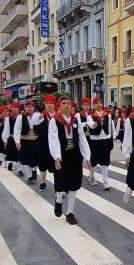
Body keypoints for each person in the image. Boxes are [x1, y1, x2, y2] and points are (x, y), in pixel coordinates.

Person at [48, 95, 92, 225]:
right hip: (62, 155)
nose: (67, 105)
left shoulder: (75, 120)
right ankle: (59, 200)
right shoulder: (54, 121)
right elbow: (53, 140)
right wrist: (56, 157)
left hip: (74, 155)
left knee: (74, 185)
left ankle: (70, 213)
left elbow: (82, 138)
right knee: (60, 185)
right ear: (59, 106)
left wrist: (87, 156)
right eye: (64, 103)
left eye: (69, 103)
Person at [86, 96, 114, 190]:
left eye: (100, 103)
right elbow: (90, 123)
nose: (98, 105)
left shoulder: (107, 115)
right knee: (93, 161)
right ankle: (92, 176)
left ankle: (105, 182)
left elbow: (110, 128)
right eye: (96, 103)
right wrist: (93, 125)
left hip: (105, 140)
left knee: (105, 161)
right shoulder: (91, 116)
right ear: (93, 105)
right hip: (94, 140)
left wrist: (110, 139)